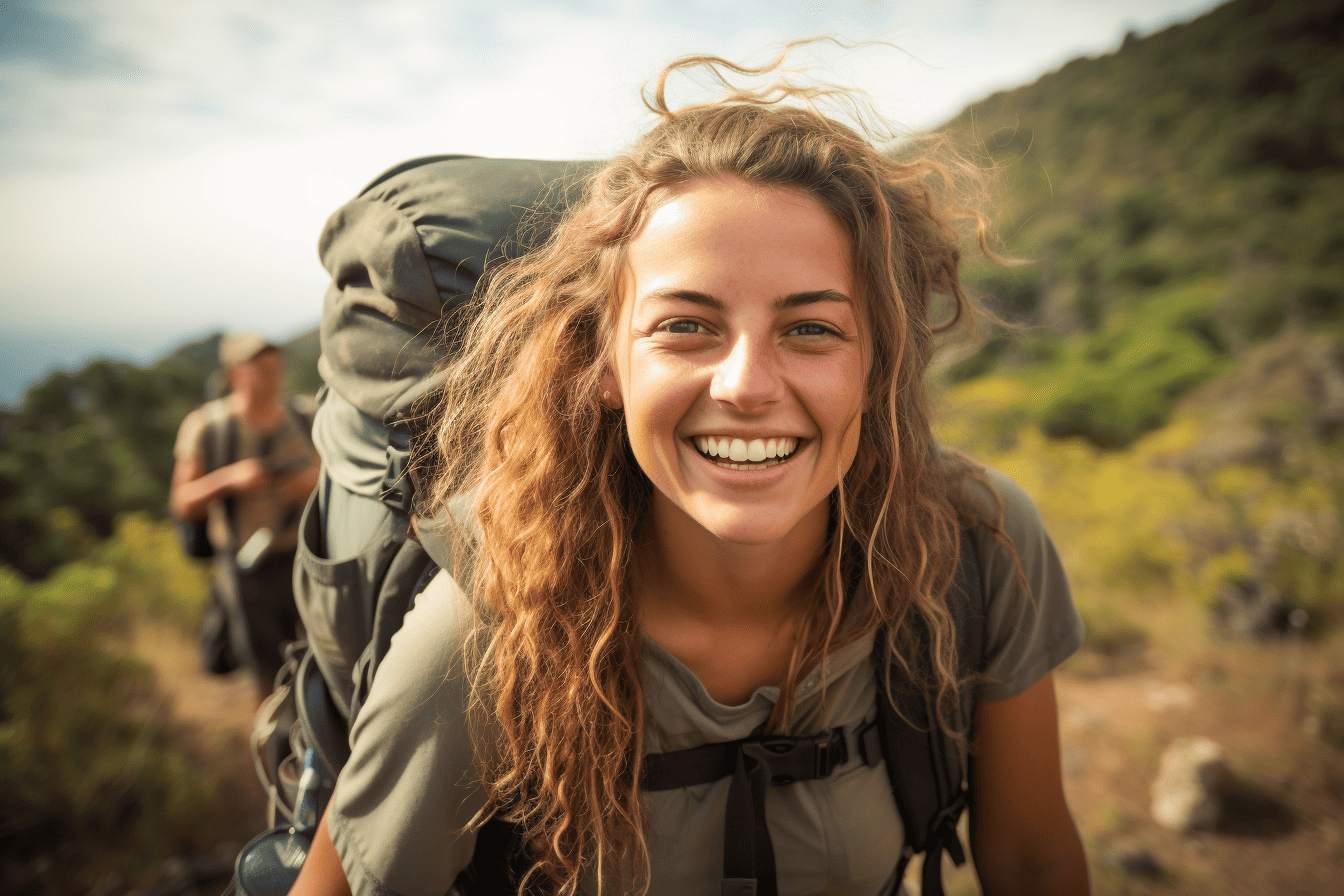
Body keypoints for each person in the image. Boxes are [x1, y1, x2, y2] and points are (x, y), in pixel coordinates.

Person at [292, 52, 1090, 896]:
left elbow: (1032, 861)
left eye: (811, 330)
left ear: (877, 364)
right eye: (686, 327)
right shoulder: (495, 619)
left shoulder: (973, 544)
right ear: (602, 363)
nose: (746, 386)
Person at [170, 333, 319, 696]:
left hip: (306, 557)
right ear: (236, 373)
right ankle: (271, 730)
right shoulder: (208, 426)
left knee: (322, 661)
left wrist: (314, 482)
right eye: (261, 368)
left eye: (276, 367)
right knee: (265, 674)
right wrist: (229, 480)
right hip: (246, 568)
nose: (273, 375)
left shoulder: (306, 415)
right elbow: (182, 502)